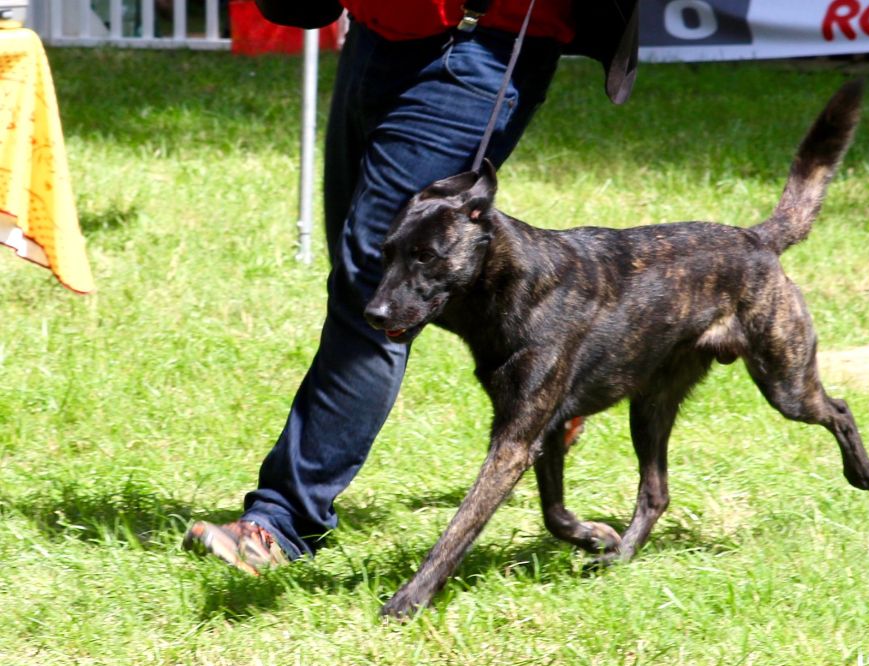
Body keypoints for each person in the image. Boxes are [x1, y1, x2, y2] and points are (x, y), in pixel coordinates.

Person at [182, 0, 639, 572]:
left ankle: (280, 523)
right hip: (378, 29)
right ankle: (563, 385)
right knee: (382, 265)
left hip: (482, 43)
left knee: (375, 294)